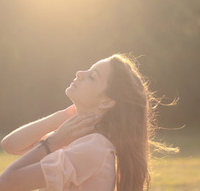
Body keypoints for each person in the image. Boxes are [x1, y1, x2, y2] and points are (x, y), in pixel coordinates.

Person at [0, 54, 164, 191]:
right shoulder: (75, 136)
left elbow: (6, 182)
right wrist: (62, 116)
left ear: (106, 101)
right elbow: (10, 145)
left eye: (92, 77)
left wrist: (55, 141)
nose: (80, 73)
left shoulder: (93, 148)